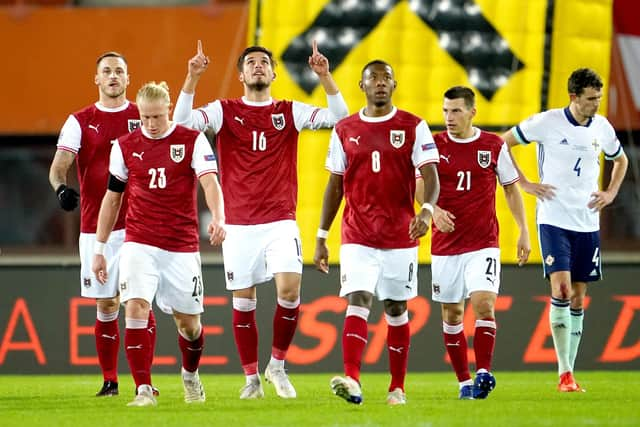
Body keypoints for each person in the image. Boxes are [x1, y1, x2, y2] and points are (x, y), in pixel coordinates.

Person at [173, 40, 349, 399]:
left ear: (273, 73)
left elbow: (341, 119)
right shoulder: (224, 111)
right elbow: (182, 123)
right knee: (244, 301)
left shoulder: (289, 111)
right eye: (250, 62)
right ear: (240, 75)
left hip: (280, 220)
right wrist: (192, 78)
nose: (257, 66)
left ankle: (278, 365)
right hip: (238, 223)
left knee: (290, 290)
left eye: (263, 62)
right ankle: (252, 379)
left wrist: (325, 77)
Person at [313, 60, 440, 405]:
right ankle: (352, 379)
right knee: (359, 298)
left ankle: (397, 387)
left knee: (397, 307)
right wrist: (322, 235)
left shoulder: (414, 126)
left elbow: (431, 176)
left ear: (395, 85)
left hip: (401, 234)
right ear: (362, 85)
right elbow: (334, 185)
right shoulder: (345, 129)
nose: (380, 83)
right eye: (374, 78)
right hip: (357, 234)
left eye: (386, 78)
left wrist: (426, 212)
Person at [91, 81, 226, 407]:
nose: (151, 124)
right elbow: (112, 199)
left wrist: (219, 217)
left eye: (157, 117)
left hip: (181, 245)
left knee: (189, 325)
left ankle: (190, 375)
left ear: (168, 110)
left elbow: (210, 182)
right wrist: (100, 249)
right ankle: (144, 389)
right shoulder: (124, 146)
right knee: (135, 307)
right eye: (145, 118)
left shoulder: (191, 140)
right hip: (139, 242)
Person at [503, 68, 628, 392]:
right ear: (573, 97)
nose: (596, 104)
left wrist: (611, 192)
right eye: (590, 99)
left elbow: (621, 160)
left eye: (599, 98)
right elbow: (503, 144)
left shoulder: (602, 127)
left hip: (587, 222)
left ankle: (569, 372)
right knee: (561, 289)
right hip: (554, 218)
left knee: (578, 296)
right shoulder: (546, 122)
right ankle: (564, 374)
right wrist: (526, 183)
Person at [48, 51, 158, 397]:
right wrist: (61, 188)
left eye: (119, 71)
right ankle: (110, 380)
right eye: (107, 71)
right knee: (106, 304)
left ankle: (145, 381)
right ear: (96, 79)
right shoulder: (80, 120)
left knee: (138, 302)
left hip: (140, 226)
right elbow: (59, 165)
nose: (113, 76)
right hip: (96, 230)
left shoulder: (142, 117)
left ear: (128, 78)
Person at [417, 86, 530, 400]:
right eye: (445, 111)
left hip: (483, 243)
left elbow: (510, 188)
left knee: (484, 305)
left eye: (455, 111)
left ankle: (483, 372)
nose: (449, 117)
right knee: (452, 315)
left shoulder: (492, 145)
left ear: (472, 112)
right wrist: (433, 211)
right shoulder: (433, 145)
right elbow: (417, 185)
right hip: (445, 245)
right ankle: (464, 381)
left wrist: (523, 230)